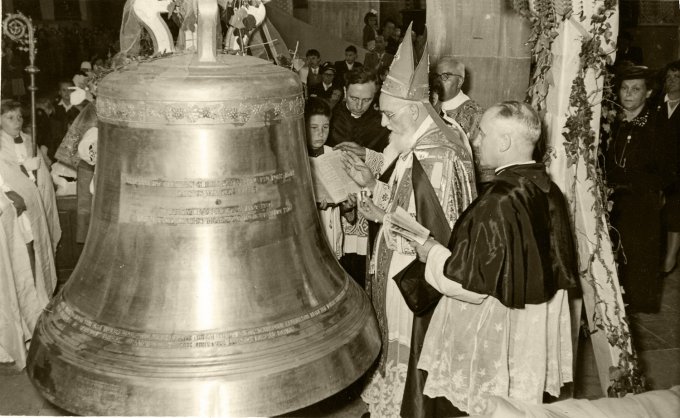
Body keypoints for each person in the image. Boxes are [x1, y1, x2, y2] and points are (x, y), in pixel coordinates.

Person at [410, 101, 578, 416]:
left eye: (483, 134)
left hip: (493, 328)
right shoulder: (550, 191)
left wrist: (431, 251)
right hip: (529, 329)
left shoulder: (498, 201)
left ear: (503, 142)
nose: (476, 140)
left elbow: (469, 286)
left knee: (481, 404)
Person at [342, 24, 476, 417]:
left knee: (410, 353)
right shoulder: (417, 141)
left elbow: (434, 233)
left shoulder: (438, 154)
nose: (383, 123)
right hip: (395, 266)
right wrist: (375, 187)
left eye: (388, 114)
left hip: (413, 276)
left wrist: (383, 216)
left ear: (415, 110)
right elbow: (406, 198)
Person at [605, 66, 676, 313]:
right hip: (611, 199)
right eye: (624, 88)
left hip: (641, 203)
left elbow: (670, 169)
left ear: (648, 93)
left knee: (637, 257)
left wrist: (646, 186)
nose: (629, 94)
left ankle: (632, 306)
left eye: (636, 89)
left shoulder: (657, 125)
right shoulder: (610, 122)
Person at [327, 68, 390, 288]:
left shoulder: (383, 124)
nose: (359, 105)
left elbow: (393, 166)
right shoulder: (330, 118)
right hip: (335, 211)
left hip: (369, 210)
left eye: (366, 100)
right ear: (344, 91)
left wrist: (366, 154)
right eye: (354, 98)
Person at [0, 101, 61, 324]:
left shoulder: (28, 141)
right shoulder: (0, 145)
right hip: (15, 210)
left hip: (33, 207)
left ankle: (40, 300)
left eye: (19, 117)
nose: (17, 122)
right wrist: (24, 172)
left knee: (37, 250)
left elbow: (39, 178)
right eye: (10, 117)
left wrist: (35, 172)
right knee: (23, 255)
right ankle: (25, 307)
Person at [305, 98, 354, 259]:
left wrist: (348, 207)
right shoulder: (297, 158)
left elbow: (349, 216)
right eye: (313, 128)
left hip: (332, 231)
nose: (320, 134)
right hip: (308, 237)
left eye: (325, 127)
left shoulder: (335, 155)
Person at [657, 60, 680, 275]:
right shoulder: (656, 103)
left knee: (675, 214)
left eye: (677, 77)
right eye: (669, 77)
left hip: (677, 171)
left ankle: (671, 258)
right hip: (656, 167)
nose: (671, 81)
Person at [433, 56, 483, 142]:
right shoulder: (429, 104)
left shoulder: (475, 115)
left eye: (445, 76)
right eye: (436, 76)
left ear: (459, 82)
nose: (438, 81)